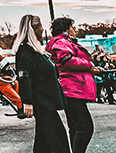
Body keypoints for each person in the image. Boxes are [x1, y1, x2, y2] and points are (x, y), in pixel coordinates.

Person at [13, 15, 70, 153]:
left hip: (46, 102)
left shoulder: (35, 51)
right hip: (42, 104)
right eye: (39, 26)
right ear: (33, 29)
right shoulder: (25, 51)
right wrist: (27, 101)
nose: (42, 29)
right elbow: (24, 76)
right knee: (59, 141)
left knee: (43, 143)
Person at [46, 17, 97, 153]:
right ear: (67, 29)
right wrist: (89, 66)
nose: (74, 31)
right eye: (72, 28)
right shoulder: (62, 42)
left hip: (72, 88)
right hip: (72, 89)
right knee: (85, 126)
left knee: (75, 127)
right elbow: (67, 60)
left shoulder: (63, 42)